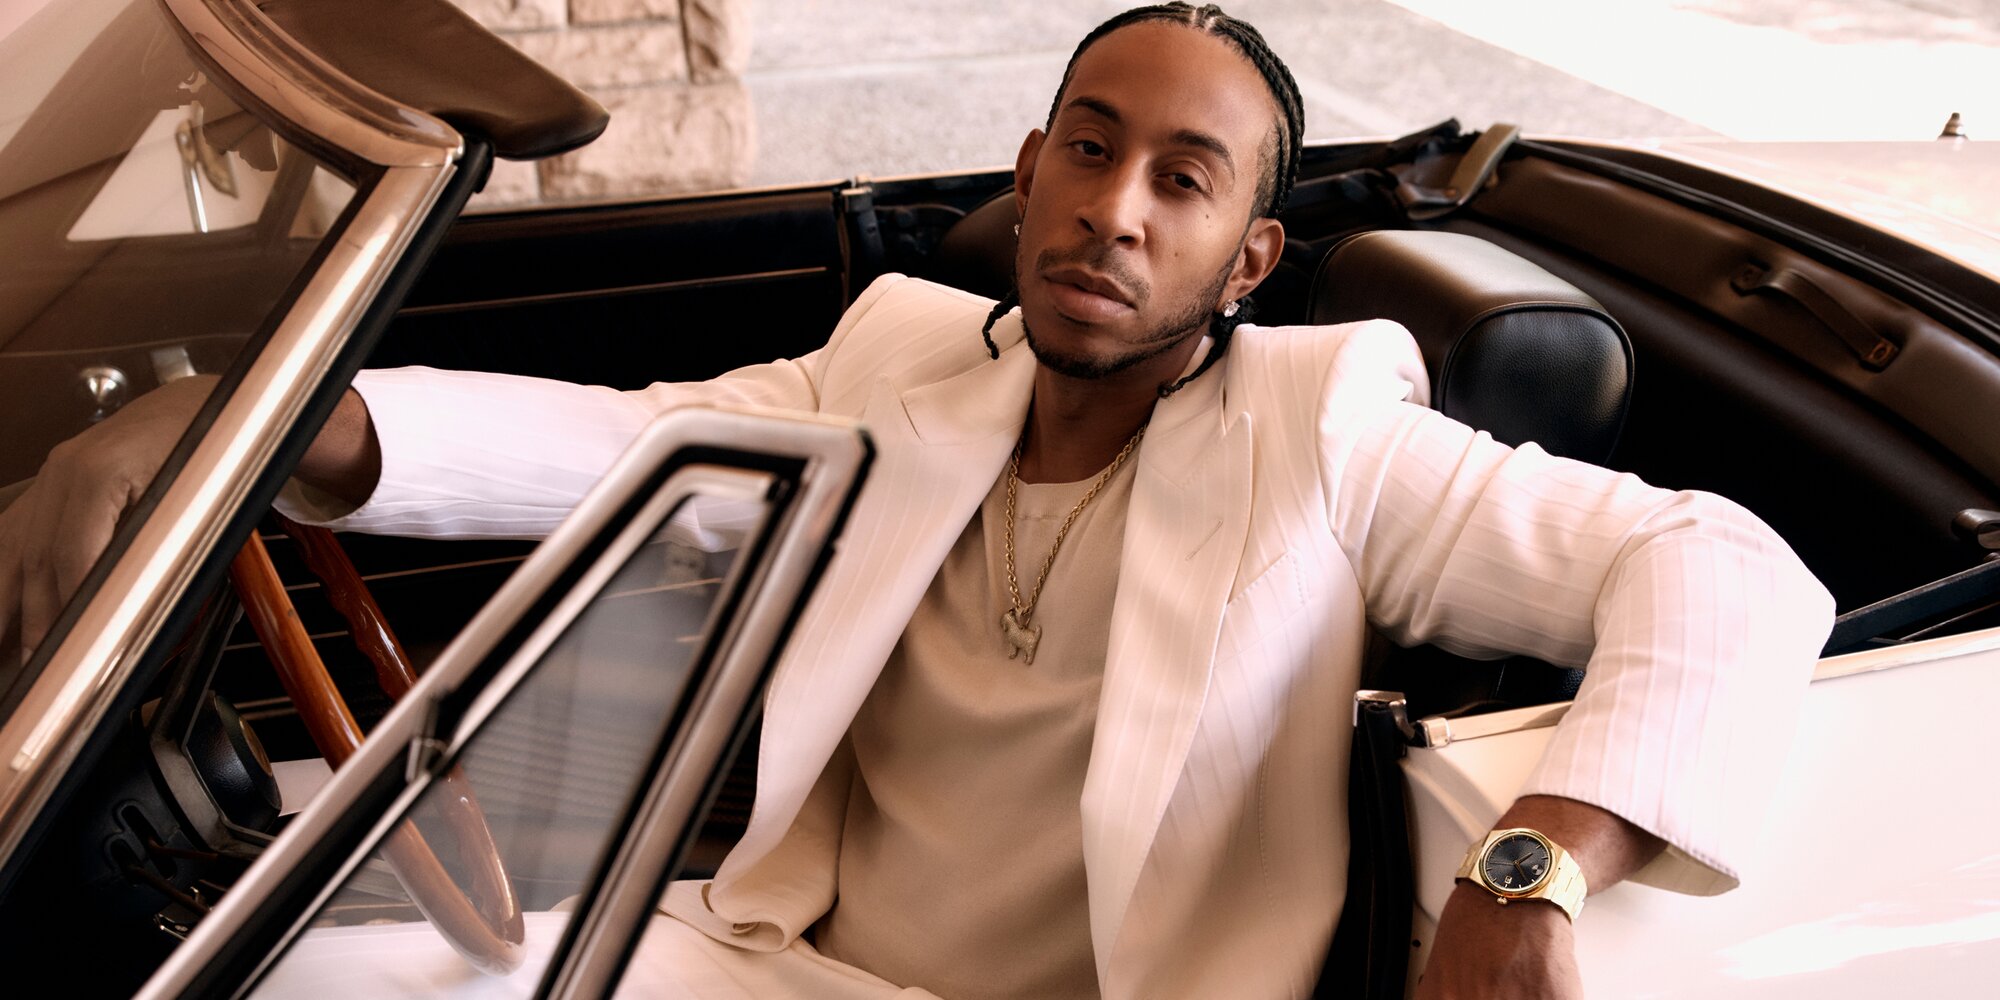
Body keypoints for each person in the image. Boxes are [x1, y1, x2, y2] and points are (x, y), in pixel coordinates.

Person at [0, 4, 1833, 998]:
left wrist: (1533, 875)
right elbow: (608, 444)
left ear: (1250, 255)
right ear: (1031, 172)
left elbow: (1723, 564)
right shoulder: (898, 368)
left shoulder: (1330, 429)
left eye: (1182, 183)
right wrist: (217, 421)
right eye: (1092, 147)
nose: (1117, 208)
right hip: (780, 958)